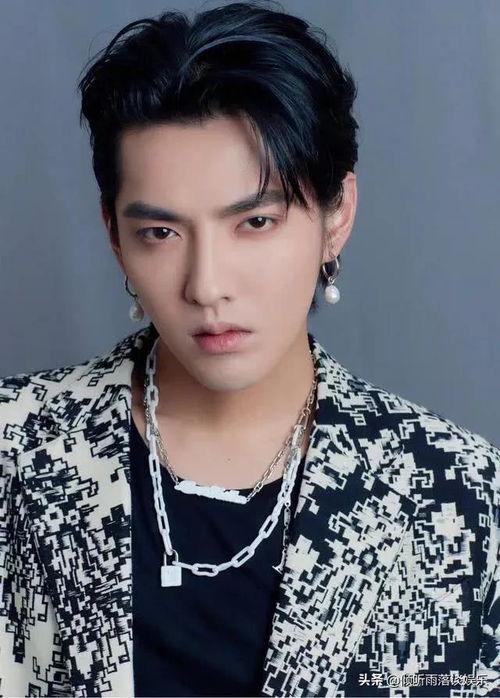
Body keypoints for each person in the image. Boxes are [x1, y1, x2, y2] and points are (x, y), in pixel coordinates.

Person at [1, 2, 498, 696]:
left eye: (256, 222)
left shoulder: (458, 493)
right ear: (114, 235)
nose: (207, 286)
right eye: (160, 233)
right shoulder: (16, 449)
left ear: (336, 214)